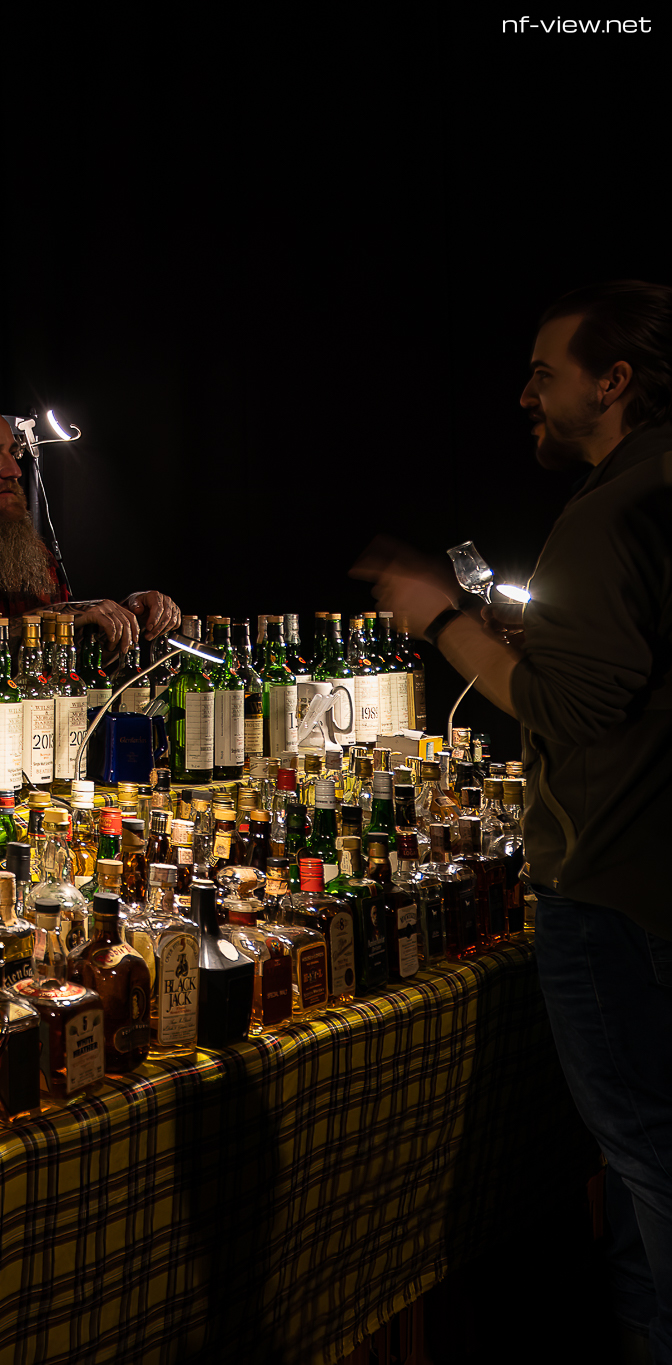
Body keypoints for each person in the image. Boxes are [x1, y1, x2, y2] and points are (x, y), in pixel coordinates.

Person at [359, 279, 672, 1365]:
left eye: (544, 374)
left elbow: (561, 712)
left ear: (611, 381)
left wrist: (437, 614)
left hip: (612, 887)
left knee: (646, 1155)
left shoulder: (608, 510)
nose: (524, 397)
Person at [0, 403, 179, 657]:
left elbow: (66, 655)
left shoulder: (34, 555)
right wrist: (56, 617)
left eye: (14, 454)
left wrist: (126, 616)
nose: (14, 471)